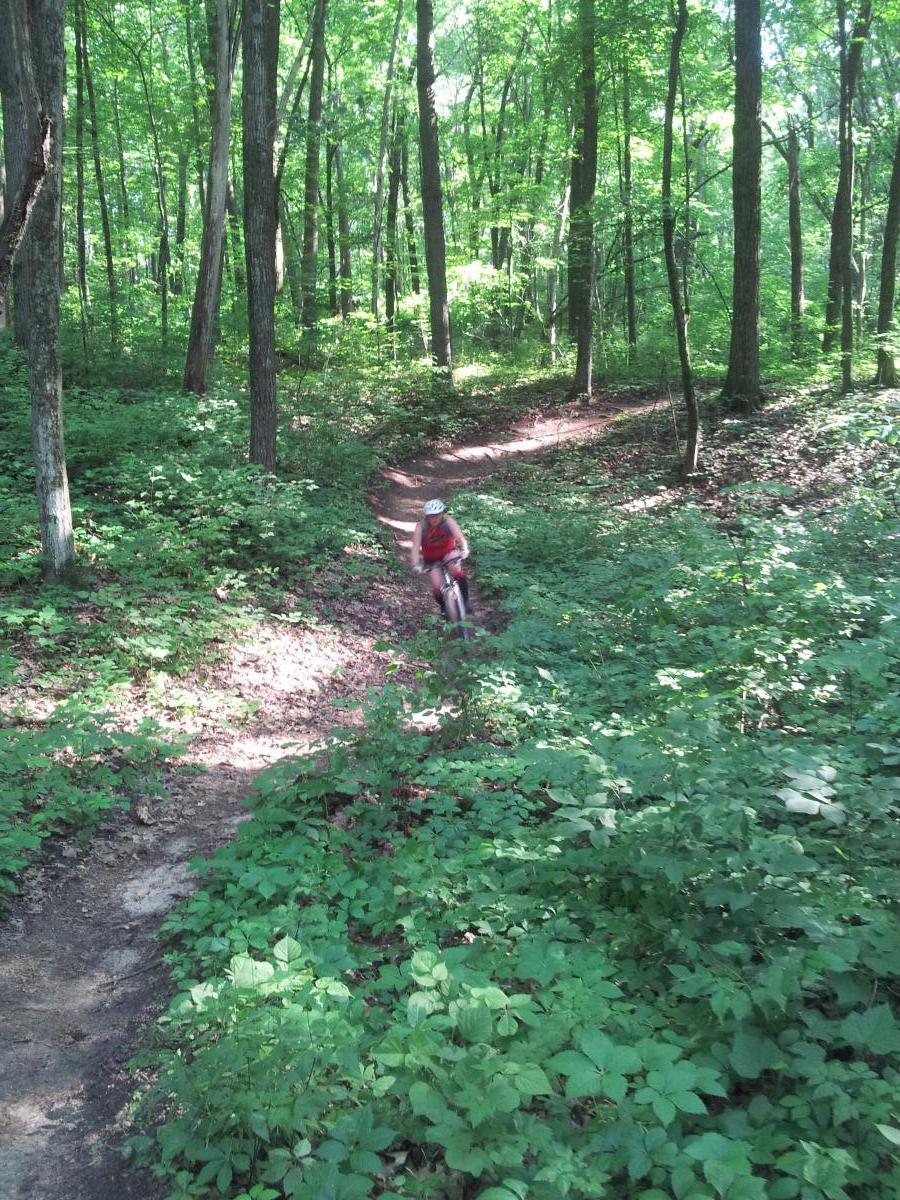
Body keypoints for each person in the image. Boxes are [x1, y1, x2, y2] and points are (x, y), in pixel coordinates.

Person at [411, 498, 472, 617]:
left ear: (442, 514)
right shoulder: (421, 527)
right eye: (431, 516)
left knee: (456, 569)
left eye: (437, 515)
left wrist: (465, 549)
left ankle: (465, 600)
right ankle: (444, 608)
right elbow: (415, 547)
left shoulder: (448, 522)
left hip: (448, 553)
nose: (434, 518)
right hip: (432, 559)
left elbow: (460, 538)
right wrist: (416, 564)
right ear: (427, 516)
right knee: (436, 586)